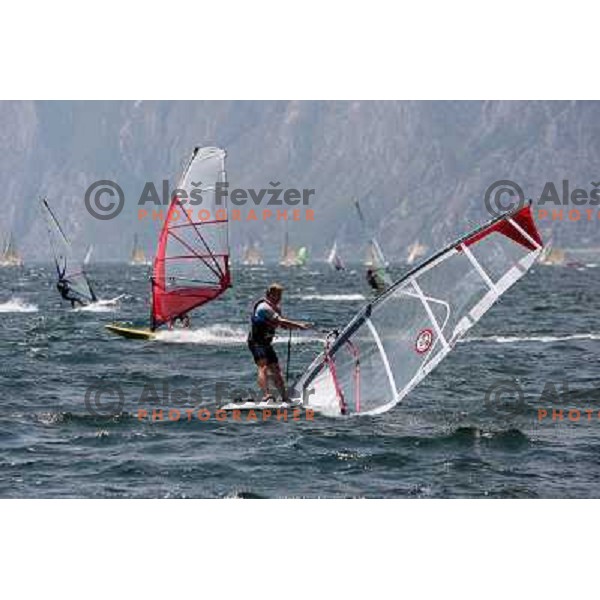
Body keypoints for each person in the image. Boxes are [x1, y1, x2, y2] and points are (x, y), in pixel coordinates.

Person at [248, 283, 310, 402]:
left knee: (276, 369)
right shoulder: (264, 307)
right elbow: (281, 320)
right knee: (263, 367)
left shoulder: (275, 308)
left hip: (267, 343)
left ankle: (285, 397)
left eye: (280, 295)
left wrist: (293, 327)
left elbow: (282, 325)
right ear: (269, 295)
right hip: (256, 342)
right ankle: (267, 395)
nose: (279, 298)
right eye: (277, 295)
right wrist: (298, 325)